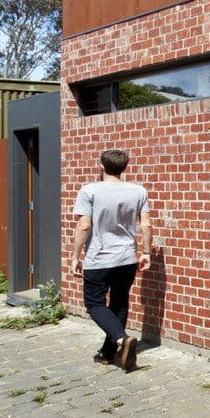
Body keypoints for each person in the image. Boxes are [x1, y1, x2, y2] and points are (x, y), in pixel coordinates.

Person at [72, 148, 152, 372]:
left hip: (99, 258)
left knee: (95, 303)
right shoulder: (138, 191)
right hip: (127, 258)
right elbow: (145, 224)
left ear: (101, 165)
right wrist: (146, 252)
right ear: (125, 167)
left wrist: (75, 256)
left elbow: (84, 225)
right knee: (119, 303)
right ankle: (108, 353)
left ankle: (121, 338)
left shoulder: (89, 191)